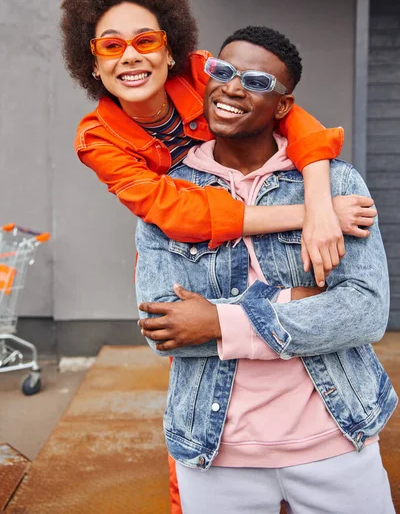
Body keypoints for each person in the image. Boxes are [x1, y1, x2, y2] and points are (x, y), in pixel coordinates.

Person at [61, 0, 377, 513]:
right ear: (91, 60)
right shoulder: (98, 138)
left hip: (332, 434)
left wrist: (320, 191)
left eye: (145, 40)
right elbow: (175, 221)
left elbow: (296, 120)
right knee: (187, 483)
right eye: (110, 45)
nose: (130, 56)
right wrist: (307, 219)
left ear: (171, 47)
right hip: (184, 239)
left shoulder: (207, 72)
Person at [137, 26, 397, 514]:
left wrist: (219, 322)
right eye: (224, 71)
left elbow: (364, 311)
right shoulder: (171, 193)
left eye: (256, 81)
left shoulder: (334, 183)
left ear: (284, 106)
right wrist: (299, 300)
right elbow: (163, 327)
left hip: (336, 438)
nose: (233, 88)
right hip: (216, 452)